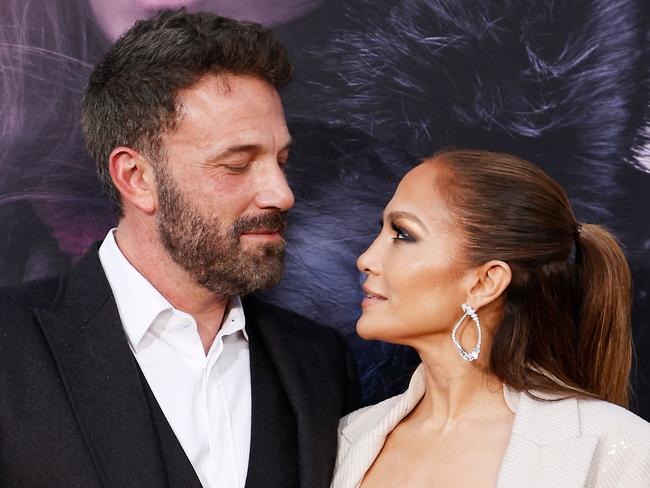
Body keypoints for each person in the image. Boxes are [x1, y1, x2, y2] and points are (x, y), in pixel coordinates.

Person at [0, 9, 359, 488]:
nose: (282, 193)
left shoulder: (318, 359)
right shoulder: (10, 343)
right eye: (236, 164)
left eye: (281, 160)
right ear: (136, 178)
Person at [331, 149, 650, 488]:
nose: (366, 259)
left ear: (485, 283)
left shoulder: (617, 449)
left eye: (402, 234)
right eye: (380, 230)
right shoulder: (347, 438)